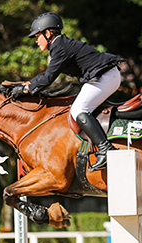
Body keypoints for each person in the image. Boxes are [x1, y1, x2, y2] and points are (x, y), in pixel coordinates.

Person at [10, 12, 124, 172]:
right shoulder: (60, 45)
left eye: (37, 36)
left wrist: (25, 88)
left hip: (105, 77)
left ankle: (106, 149)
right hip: (104, 76)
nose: (36, 41)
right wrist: (27, 84)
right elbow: (45, 75)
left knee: (78, 110)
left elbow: (48, 77)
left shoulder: (59, 47)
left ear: (48, 33)